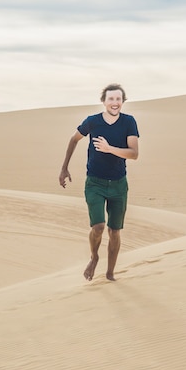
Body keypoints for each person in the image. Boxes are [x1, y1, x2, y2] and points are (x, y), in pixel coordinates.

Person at [59, 84, 139, 281]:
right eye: (111, 99)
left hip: (119, 184)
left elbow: (134, 154)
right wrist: (64, 168)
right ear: (104, 101)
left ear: (123, 101)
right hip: (95, 183)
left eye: (118, 99)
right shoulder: (92, 122)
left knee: (115, 231)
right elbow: (74, 139)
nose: (114, 103)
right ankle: (94, 257)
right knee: (99, 227)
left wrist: (110, 148)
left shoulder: (129, 122)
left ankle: (110, 274)